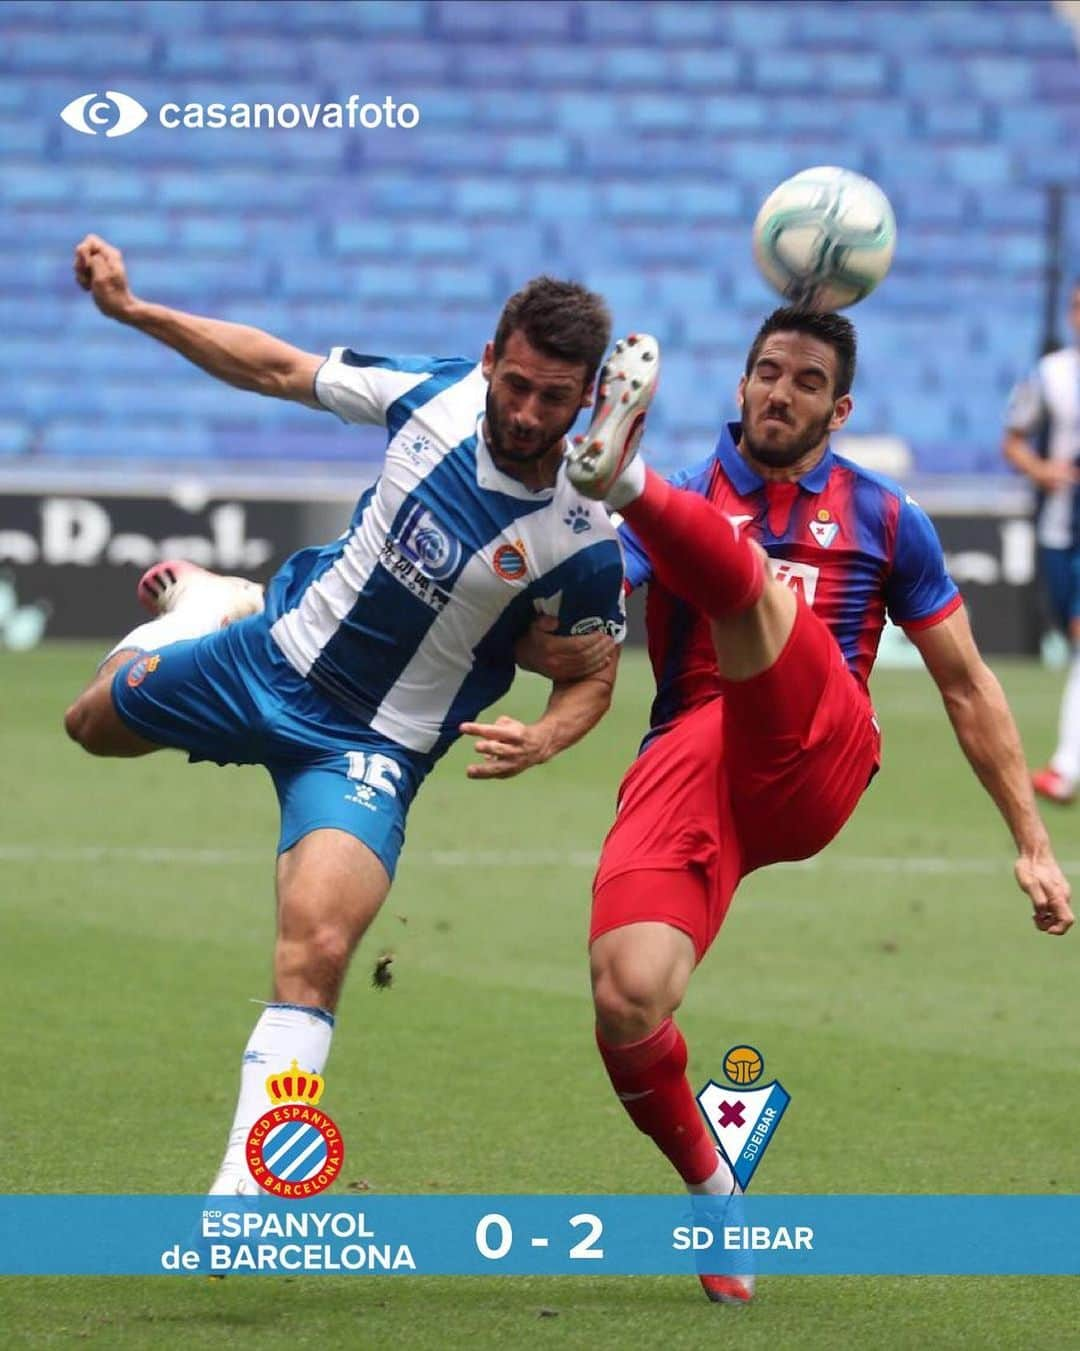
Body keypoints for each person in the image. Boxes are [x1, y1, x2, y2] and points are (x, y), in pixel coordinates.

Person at [64, 234, 626, 1196]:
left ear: (589, 401)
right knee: (90, 726)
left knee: (318, 945)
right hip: (265, 653)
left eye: (554, 397)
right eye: (517, 384)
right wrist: (134, 311)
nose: (528, 412)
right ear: (490, 361)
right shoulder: (433, 397)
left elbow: (592, 676)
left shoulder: (583, 540)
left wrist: (545, 734)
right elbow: (277, 365)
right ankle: (206, 602)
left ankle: (249, 1190)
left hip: (374, 746)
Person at [561, 307, 1073, 1306]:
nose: (777, 393)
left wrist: (1033, 842)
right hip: (695, 755)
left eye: (802, 381)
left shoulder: (884, 518)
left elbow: (967, 684)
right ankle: (714, 1188)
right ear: (741, 385)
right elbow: (588, 629)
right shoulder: (701, 496)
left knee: (751, 588)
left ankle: (619, 476)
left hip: (819, 753)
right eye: (765, 372)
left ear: (839, 409)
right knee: (626, 996)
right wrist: (547, 719)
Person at [1003, 281, 1080, 804]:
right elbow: (1012, 439)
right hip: (1060, 530)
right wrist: (1042, 470)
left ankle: (1066, 767)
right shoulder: (1050, 376)